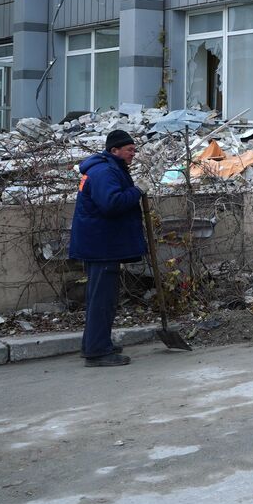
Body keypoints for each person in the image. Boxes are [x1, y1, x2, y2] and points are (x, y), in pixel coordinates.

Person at [69, 129, 146, 367]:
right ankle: (97, 351)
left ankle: (95, 344)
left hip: (101, 244)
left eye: (134, 150)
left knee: (102, 298)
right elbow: (111, 204)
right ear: (115, 150)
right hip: (101, 246)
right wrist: (137, 191)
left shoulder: (107, 168)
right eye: (129, 150)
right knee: (102, 299)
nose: (133, 154)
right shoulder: (104, 171)